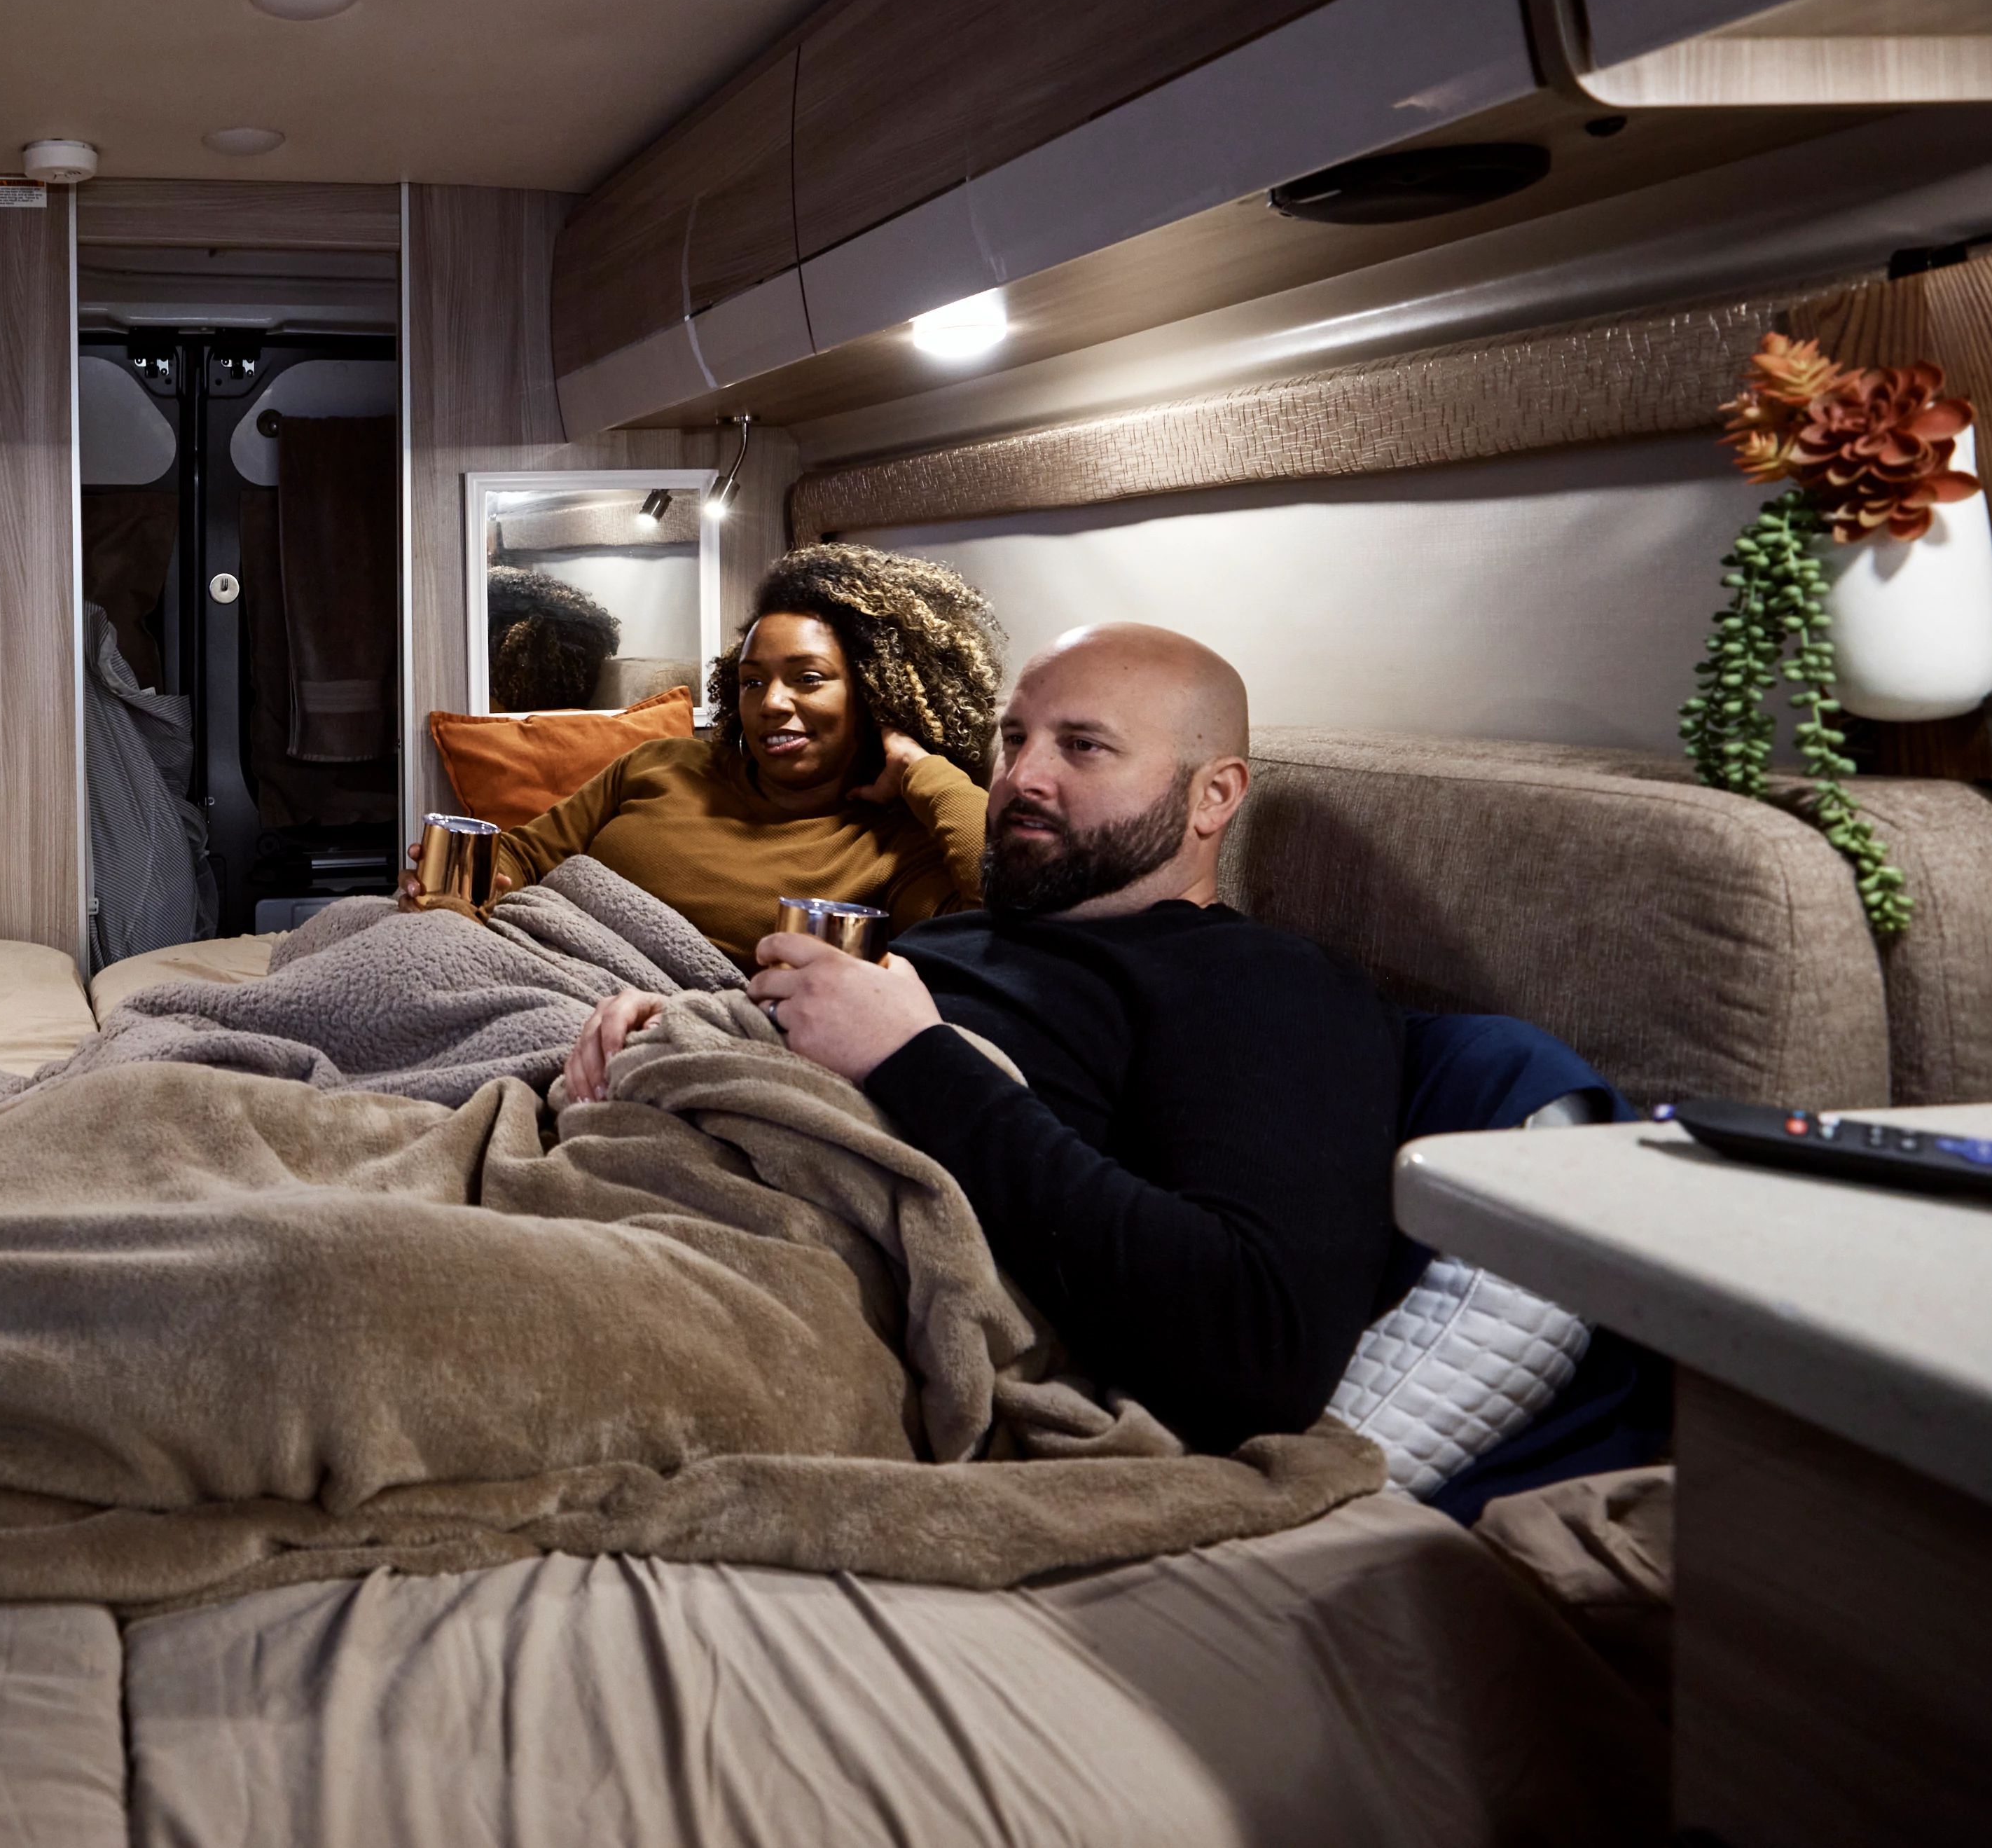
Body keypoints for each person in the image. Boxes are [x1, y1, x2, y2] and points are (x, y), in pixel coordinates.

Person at [562, 621, 1402, 1453]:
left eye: (1081, 746)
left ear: (1212, 795)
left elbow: (1262, 1347)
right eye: (1012, 738)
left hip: (776, 1276)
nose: (1018, 776)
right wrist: (666, 1023)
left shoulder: (1262, 981)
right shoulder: (955, 936)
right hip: (620, 1162)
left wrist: (914, 1057)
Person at [407, 545, 1003, 966]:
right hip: (527, 956)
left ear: (876, 695)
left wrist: (924, 770)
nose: (771, 702)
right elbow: (525, 854)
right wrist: (457, 889)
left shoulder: (893, 848)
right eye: (751, 681)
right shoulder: (663, 765)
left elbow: (1000, 912)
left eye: (809, 678)